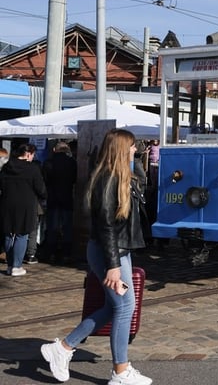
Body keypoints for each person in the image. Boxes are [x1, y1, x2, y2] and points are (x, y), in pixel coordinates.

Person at [40, 128, 152, 385]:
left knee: (115, 307)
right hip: (108, 252)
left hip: (118, 250)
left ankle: (63, 348)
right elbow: (106, 227)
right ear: (121, 149)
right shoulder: (108, 179)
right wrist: (113, 266)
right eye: (133, 146)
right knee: (124, 307)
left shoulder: (123, 176)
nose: (136, 149)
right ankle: (120, 372)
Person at [1, 143, 48, 276]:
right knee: (22, 234)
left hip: (7, 204)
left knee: (9, 234)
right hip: (26, 205)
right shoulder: (32, 169)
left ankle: (10, 265)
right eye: (33, 155)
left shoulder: (6, 167)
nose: (33, 157)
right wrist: (44, 196)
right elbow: (41, 189)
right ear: (28, 154)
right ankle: (17, 266)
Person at [43, 142, 78, 264]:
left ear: (55, 150)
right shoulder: (72, 162)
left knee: (52, 227)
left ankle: (51, 253)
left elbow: (45, 180)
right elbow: (74, 179)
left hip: (52, 198)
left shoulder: (49, 162)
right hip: (67, 198)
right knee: (67, 227)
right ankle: (66, 253)